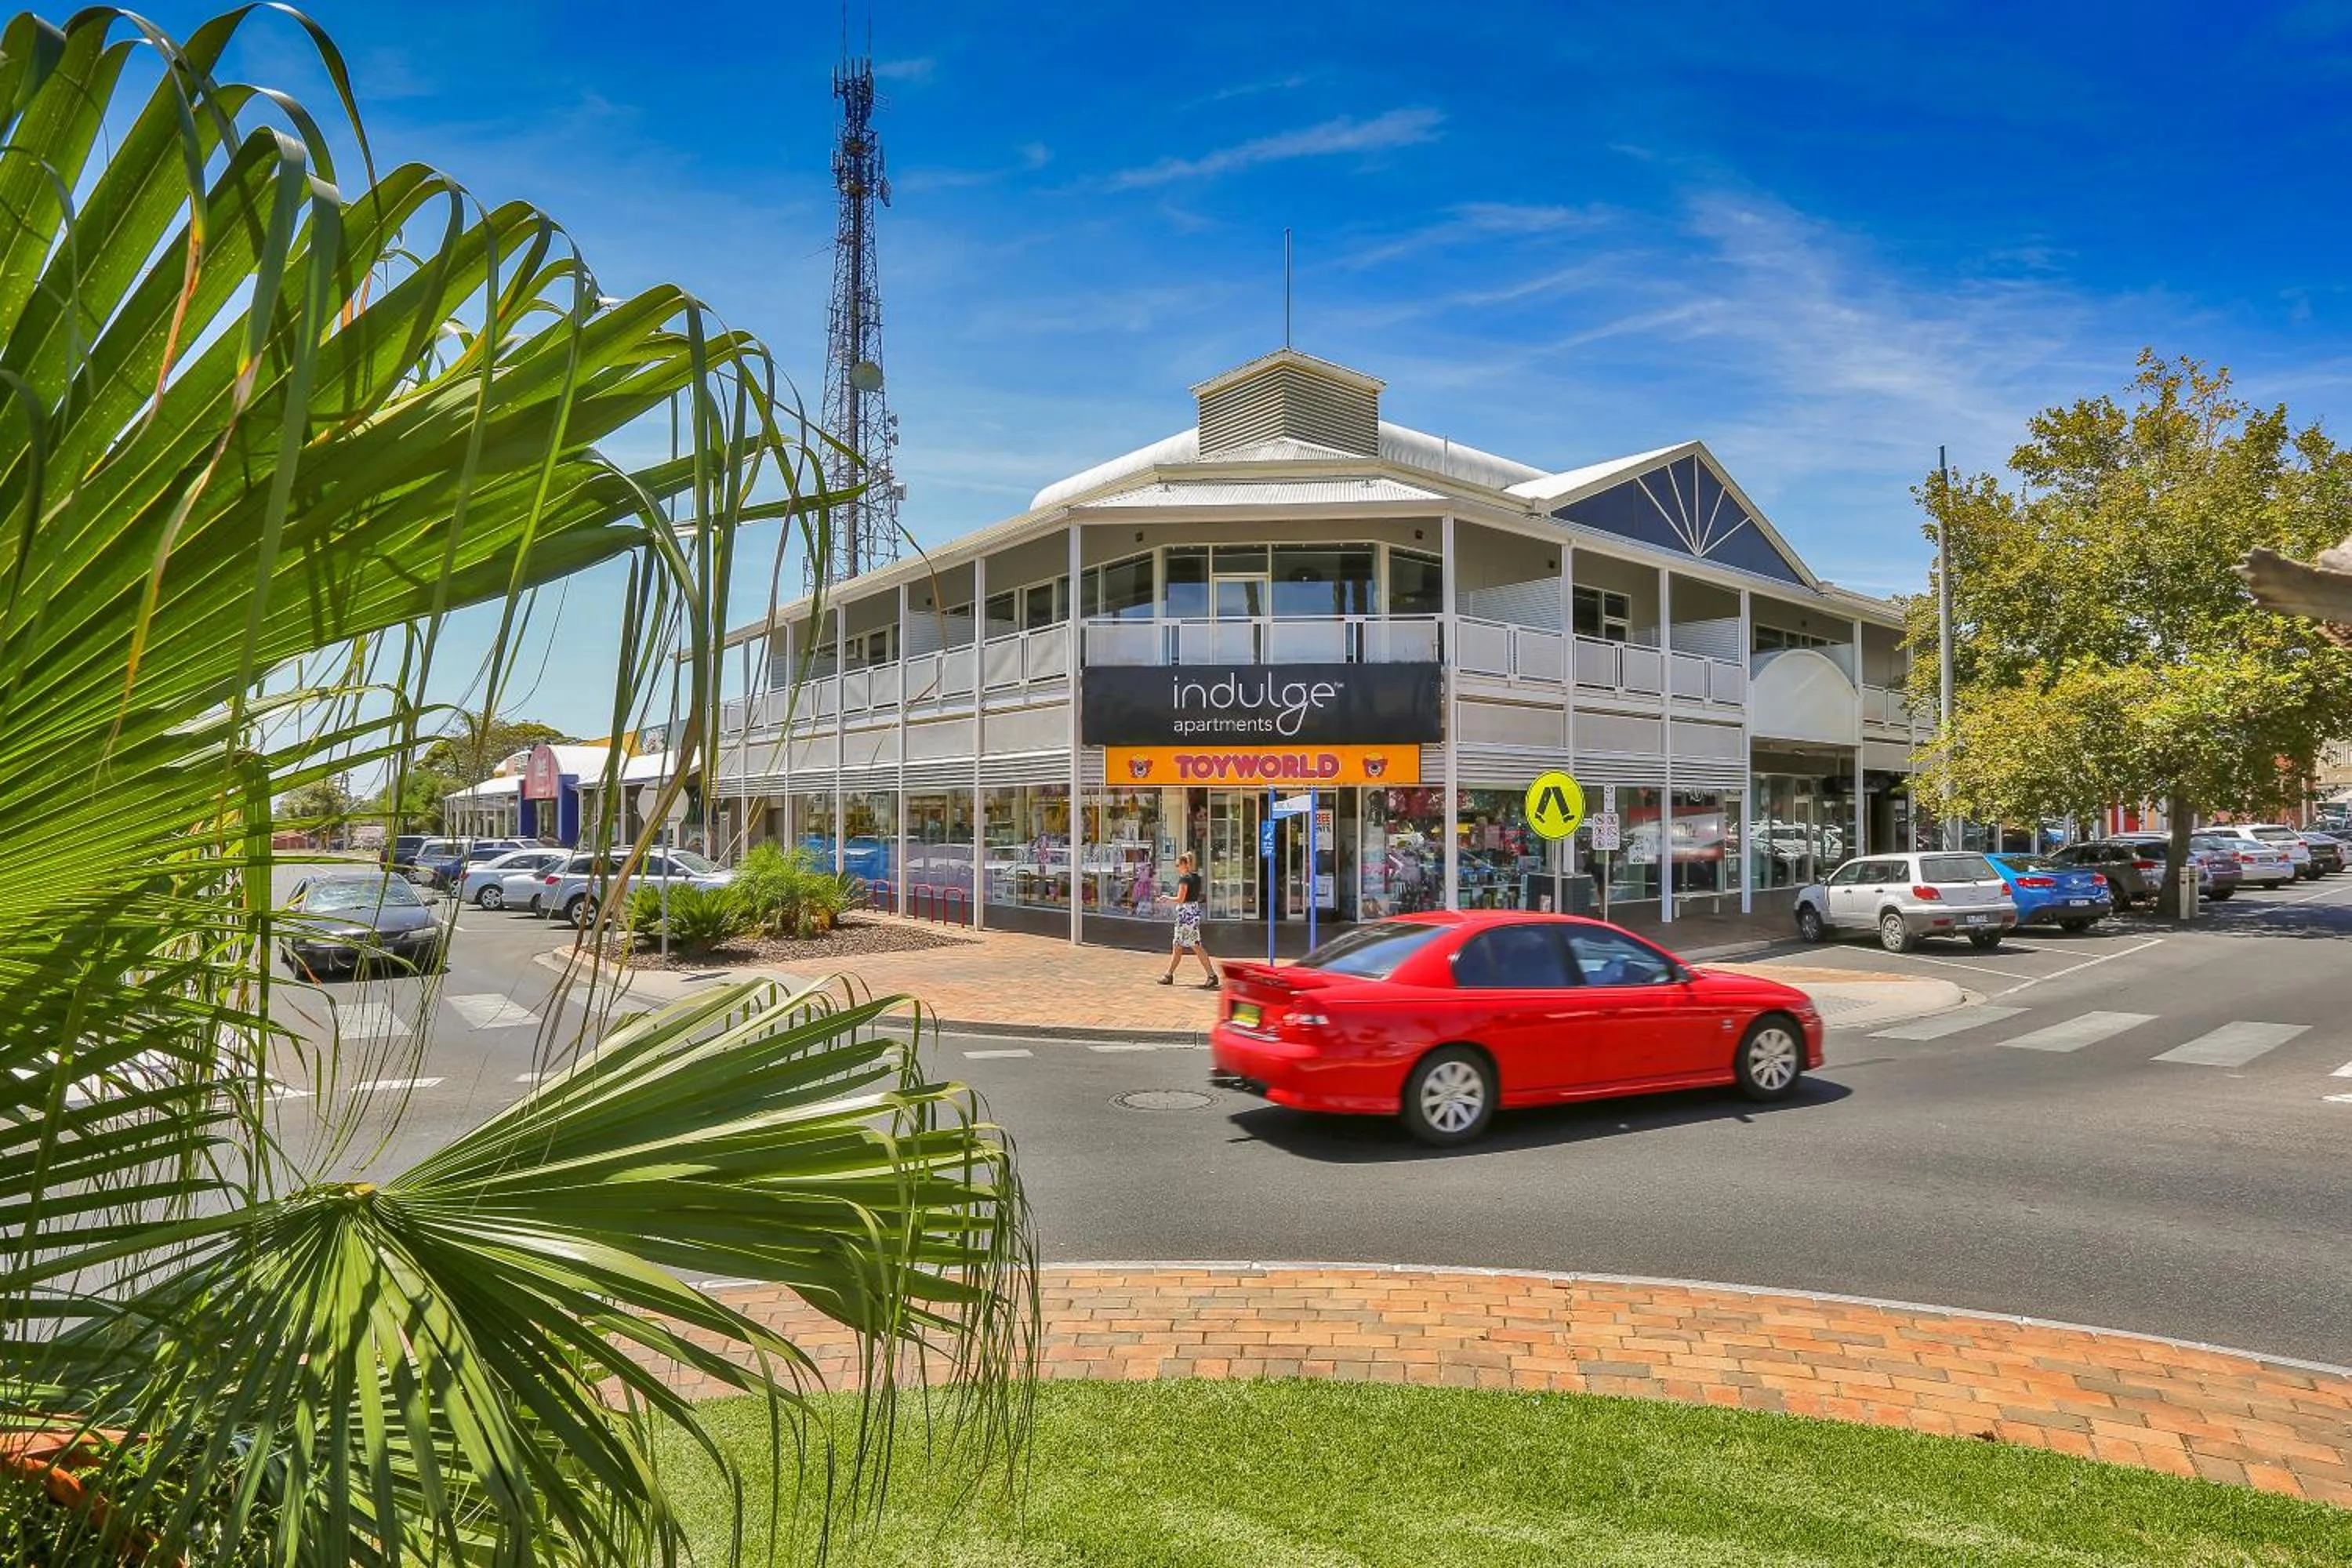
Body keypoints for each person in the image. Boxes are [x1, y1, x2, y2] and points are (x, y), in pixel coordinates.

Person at [1157, 851, 1218, 988]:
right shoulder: (1196, 878)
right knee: (1179, 945)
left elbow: (1180, 899)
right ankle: (1169, 974)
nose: (1177, 867)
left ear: (1185, 864)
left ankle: (1211, 975)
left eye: (1178, 864)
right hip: (1193, 912)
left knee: (1194, 945)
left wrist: (1166, 898)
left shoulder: (1184, 879)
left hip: (1185, 914)